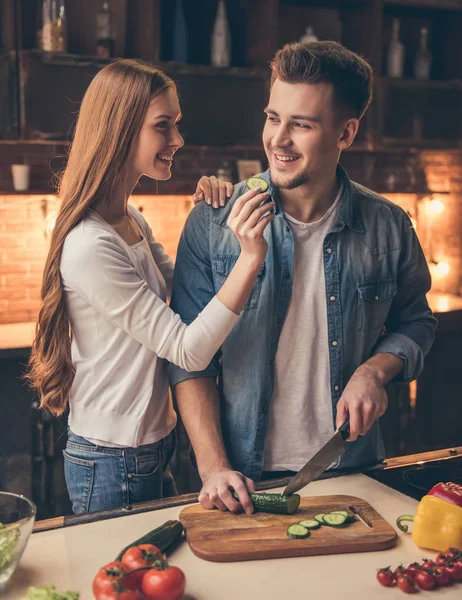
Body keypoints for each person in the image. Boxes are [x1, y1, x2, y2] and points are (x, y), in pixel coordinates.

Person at [168, 41, 437, 514]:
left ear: (346, 132)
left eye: (302, 124)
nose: (278, 139)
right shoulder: (212, 224)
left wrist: (375, 370)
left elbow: (415, 322)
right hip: (240, 480)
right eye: (273, 118)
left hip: (354, 472)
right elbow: (189, 360)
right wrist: (213, 468)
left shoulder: (389, 226)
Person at [27, 59, 275, 514]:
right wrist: (251, 256)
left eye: (176, 124)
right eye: (164, 126)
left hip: (148, 448)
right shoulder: (90, 244)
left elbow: (189, 293)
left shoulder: (129, 219)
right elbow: (187, 349)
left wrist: (215, 217)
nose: (178, 140)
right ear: (120, 130)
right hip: (110, 458)